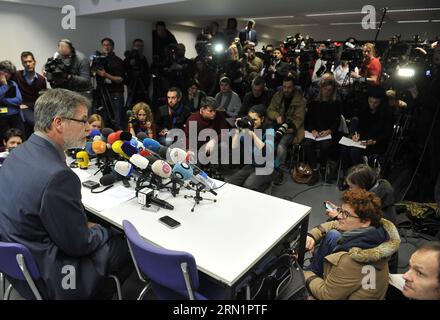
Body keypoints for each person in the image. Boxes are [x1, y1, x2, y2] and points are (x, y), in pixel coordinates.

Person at [0, 88, 132, 299]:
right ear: (58, 123)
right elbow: (80, 245)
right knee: (125, 244)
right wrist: (104, 230)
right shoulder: (57, 177)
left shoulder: (17, 154)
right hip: (54, 277)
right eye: (82, 121)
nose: (88, 128)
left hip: (17, 268)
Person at [304, 189, 401, 300]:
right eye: (340, 211)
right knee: (334, 235)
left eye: (346, 214)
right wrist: (311, 235)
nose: (339, 216)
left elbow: (327, 296)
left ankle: (309, 274)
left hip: (333, 293)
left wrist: (304, 274)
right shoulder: (377, 232)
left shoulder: (349, 261)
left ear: (365, 222)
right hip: (358, 284)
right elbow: (335, 224)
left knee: (299, 286)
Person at [267, 75, 306, 185]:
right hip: (277, 126)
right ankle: (265, 166)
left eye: (289, 87)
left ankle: (278, 171)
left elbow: (299, 119)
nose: (286, 90)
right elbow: (270, 110)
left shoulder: (301, 100)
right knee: (269, 140)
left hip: (292, 129)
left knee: (281, 145)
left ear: (294, 87)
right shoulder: (277, 96)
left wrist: (289, 128)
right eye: (284, 87)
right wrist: (276, 116)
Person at [303, 76, 341, 185]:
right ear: (321, 89)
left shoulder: (336, 104)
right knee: (307, 144)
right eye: (325, 89)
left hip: (327, 132)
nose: (327, 92)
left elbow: (336, 122)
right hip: (314, 132)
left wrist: (329, 131)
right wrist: (313, 130)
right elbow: (308, 120)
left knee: (325, 146)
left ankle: (323, 167)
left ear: (333, 91)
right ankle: (315, 170)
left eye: (330, 90)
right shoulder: (313, 103)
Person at [228, 104, 275, 192]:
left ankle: (267, 185)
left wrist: (253, 135)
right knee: (231, 183)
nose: (252, 122)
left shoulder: (270, 131)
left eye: (255, 120)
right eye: (250, 119)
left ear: (263, 119)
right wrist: (238, 130)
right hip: (252, 165)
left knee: (248, 185)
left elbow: (266, 152)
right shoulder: (248, 129)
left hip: (266, 167)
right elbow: (234, 147)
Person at [14, 51, 47, 138]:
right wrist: (18, 104)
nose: (28, 64)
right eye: (25, 62)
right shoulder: (17, 75)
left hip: (35, 106)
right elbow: (11, 92)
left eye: (30, 61)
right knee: (34, 123)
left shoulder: (41, 79)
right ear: (22, 63)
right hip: (22, 107)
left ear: (34, 62)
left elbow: (42, 99)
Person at [96, 38, 125, 130]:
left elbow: (120, 79)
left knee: (118, 119)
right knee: (104, 120)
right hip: (102, 92)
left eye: (108, 45)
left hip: (115, 93)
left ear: (112, 47)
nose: (106, 47)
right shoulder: (99, 60)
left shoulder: (118, 61)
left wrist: (106, 75)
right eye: (104, 45)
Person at [0, 60, 24, 142]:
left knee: (21, 135)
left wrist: (3, 99)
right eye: (4, 71)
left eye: (9, 73)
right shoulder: (5, 85)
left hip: (15, 114)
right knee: (5, 138)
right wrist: (4, 85)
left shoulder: (13, 83)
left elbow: (18, 100)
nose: (6, 74)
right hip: (2, 116)